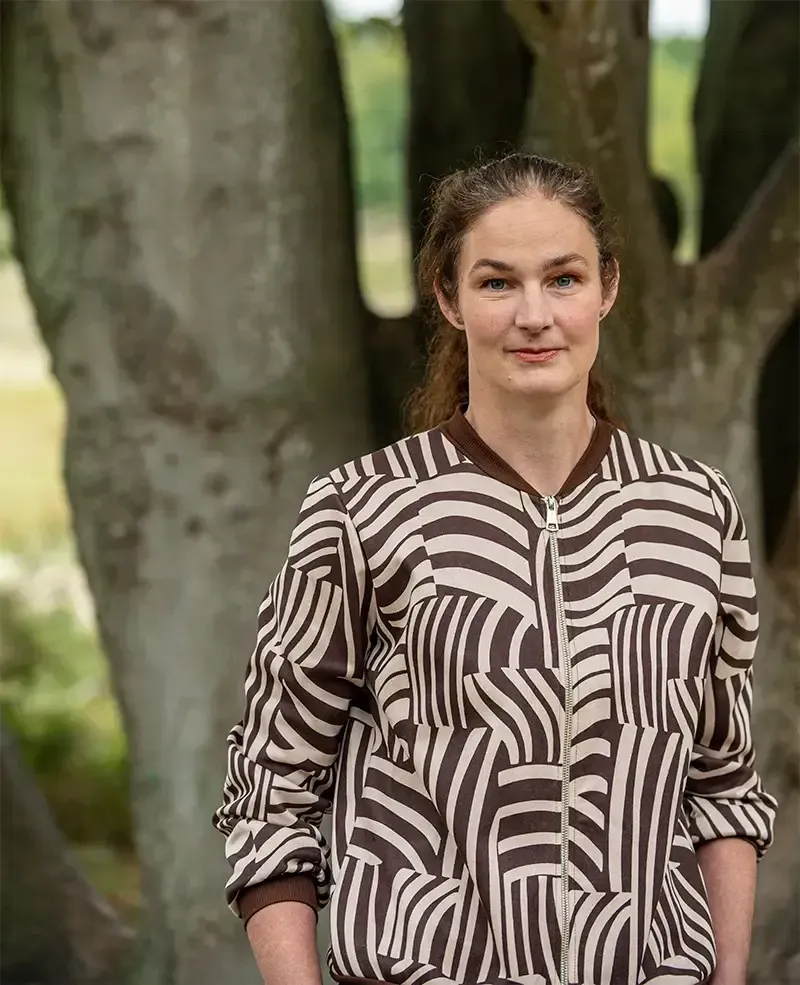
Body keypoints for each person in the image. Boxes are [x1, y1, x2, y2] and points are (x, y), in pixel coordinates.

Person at [213, 153, 777, 985]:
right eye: (497, 283)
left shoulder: (693, 509)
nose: (535, 315)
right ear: (448, 296)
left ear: (606, 288)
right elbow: (271, 785)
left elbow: (722, 779)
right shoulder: (363, 509)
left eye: (563, 277)